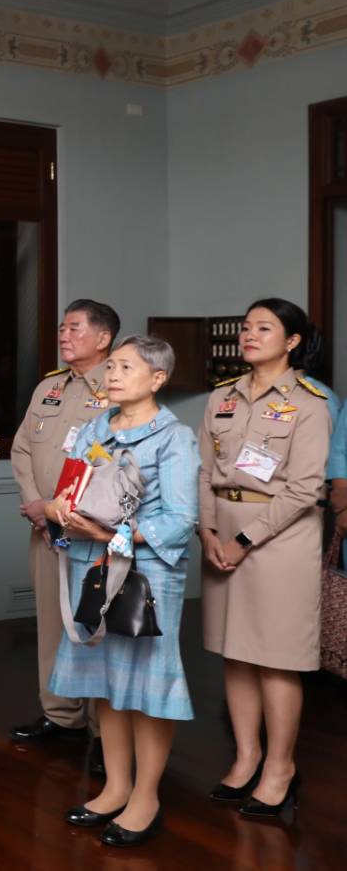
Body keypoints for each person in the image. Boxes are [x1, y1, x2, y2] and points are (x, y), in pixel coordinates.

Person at [46, 335, 199, 848]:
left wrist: (108, 534)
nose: (112, 375)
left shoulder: (174, 438)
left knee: (146, 688)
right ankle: (115, 786)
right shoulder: (95, 427)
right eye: (110, 366)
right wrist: (59, 508)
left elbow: (179, 520)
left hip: (144, 575)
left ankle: (146, 797)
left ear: (157, 379)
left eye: (125, 367)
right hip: (90, 565)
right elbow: (70, 487)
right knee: (106, 681)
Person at [198, 299, 329, 821]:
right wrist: (207, 530)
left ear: (292, 341)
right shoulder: (222, 397)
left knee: (275, 658)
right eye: (247, 327)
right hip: (222, 533)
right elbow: (204, 472)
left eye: (264, 328)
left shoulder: (311, 403)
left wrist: (242, 540)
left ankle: (280, 768)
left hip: (278, 539)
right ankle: (247, 756)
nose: (249, 335)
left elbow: (305, 488)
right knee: (236, 652)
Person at [9, 300, 119, 769]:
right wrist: (37, 505)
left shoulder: (119, 386)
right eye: (61, 328)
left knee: (95, 628)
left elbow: (115, 465)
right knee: (51, 625)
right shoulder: (49, 387)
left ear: (103, 338)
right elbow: (21, 448)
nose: (64, 335)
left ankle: (105, 732)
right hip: (45, 528)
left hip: (91, 532)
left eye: (75, 328)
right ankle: (61, 715)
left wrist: (60, 510)